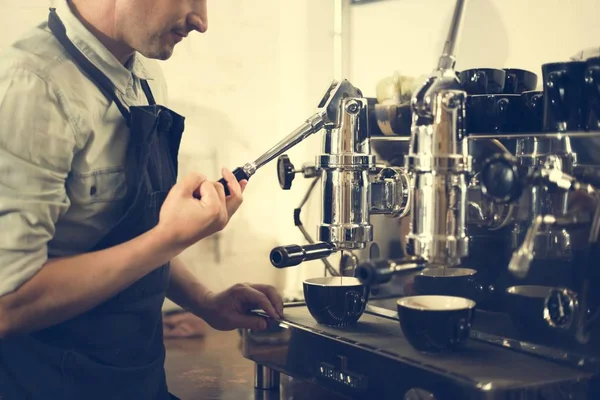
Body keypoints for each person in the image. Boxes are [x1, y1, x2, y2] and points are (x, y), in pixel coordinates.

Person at [0, 0, 284, 399]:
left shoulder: (145, 73)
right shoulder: (32, 86)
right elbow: (8, 304)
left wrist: (205, 302)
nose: (201, 21)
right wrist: (170, 237)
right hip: (50, 384)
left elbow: (131, 230)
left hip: (139, 382)